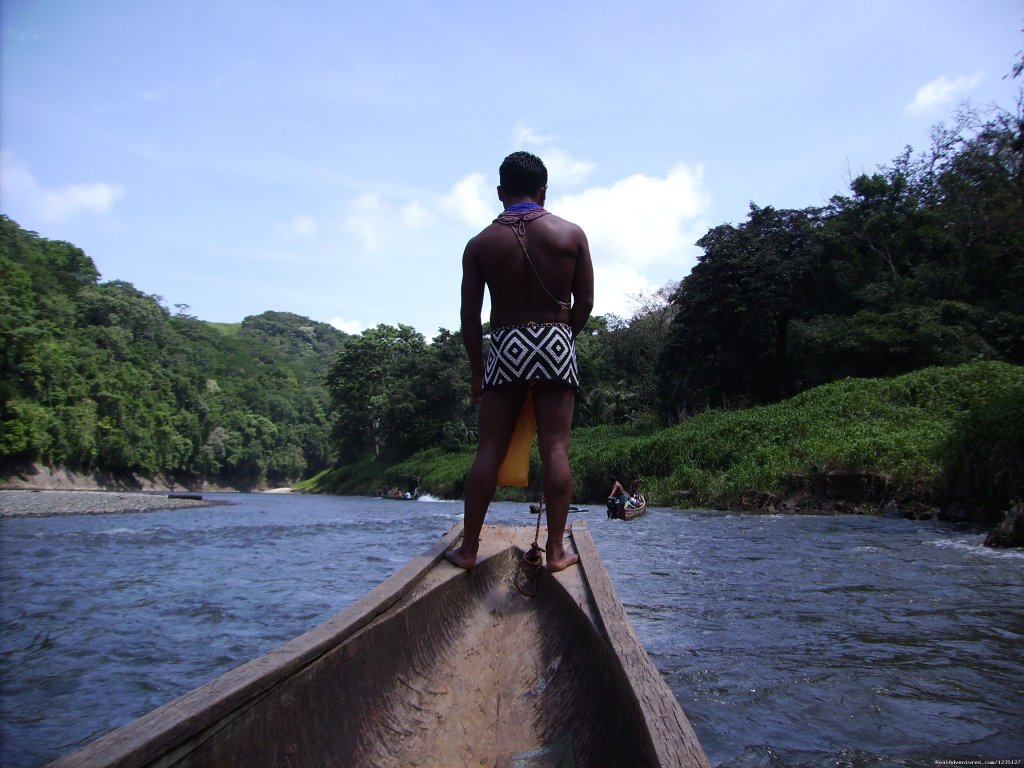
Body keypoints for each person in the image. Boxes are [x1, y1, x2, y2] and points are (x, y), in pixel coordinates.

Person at [445, 151, 594, 573]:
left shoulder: (480, 245)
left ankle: (469, 549)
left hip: (506, 342)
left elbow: (469, 319)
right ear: (544, 190)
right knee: (555, 448)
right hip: (555, 339)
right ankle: (557, 552)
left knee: (489, 447)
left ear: (499, 193)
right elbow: (584, 302)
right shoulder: (571, 235)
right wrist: (560, 341)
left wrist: (478, 371)